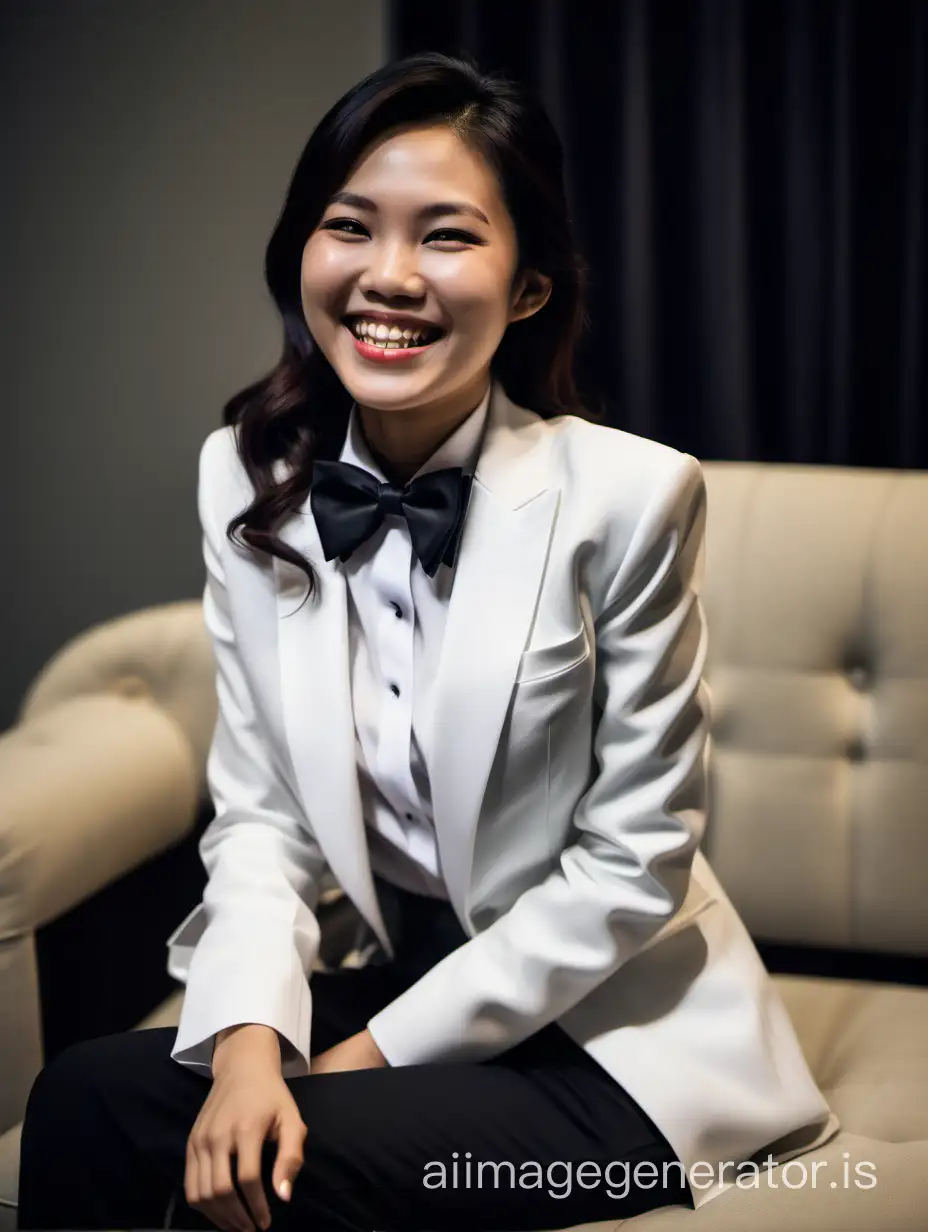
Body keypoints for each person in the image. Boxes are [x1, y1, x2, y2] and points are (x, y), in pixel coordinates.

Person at [17, 50, 838, 1232]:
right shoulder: (244, 478)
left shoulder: (631, 496)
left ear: (530, 287)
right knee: (83, 1096)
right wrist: (251, 1042)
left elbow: (632, 863)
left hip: (610, 1045)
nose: (387, 276)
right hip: (398, 970)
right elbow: (263, 812)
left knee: (274, 1177)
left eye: (446, 236)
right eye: (350, 226)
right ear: (304, 249)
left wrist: (352, 1061)